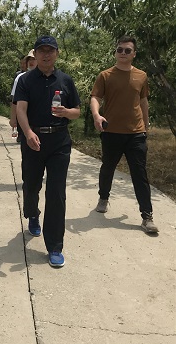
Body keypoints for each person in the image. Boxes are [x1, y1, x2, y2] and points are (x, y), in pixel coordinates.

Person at [15, 36, 80, 268]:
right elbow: (21, 110)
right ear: (35, 54)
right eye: (41, 50)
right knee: (31, 185)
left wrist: (66, 112)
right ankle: (33, 213)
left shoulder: (65, 80)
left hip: (59, 142)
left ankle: (55, 246)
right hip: (33, 140)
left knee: (56, 193)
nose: (46, 54)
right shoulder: (25, 80)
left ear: (57, 53)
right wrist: (28, 133)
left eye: (50, 50)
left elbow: (77, 111)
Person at [90, 36, 159, 234]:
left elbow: (143, 102)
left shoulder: (141, 76)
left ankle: (147, 216)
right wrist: (96, 115)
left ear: (134, 54)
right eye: (120, 49)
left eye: (127, 50)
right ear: (115, 52)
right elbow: (95, 97)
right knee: (108, 167)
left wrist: (145, 126)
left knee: (140, 173)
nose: (123, 53)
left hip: (136, 133)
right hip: (111, 131)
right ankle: (104, 197)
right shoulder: (105, 75)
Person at [10, 50, 37, 142]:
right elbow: (14, 99)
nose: (31, 62)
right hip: (24, 117)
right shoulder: (21, 78)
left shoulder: (47, 78)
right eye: (29, 59)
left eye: (34, 59)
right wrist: (13, 118)